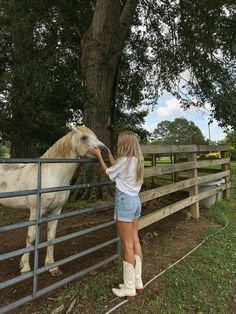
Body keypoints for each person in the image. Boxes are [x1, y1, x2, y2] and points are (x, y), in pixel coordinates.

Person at [88, 130, 144, 300]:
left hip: (125, 203)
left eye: (120, 142)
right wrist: (110, 155)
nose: (118, 144)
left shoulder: (124, 161)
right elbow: (116, 170)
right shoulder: (137, 161)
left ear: (125, 144)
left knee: (127, 245)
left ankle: (128, 288)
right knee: (135, 240)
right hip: (135, 202)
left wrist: (99, 156)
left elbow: (108, 172)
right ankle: (137, 282)